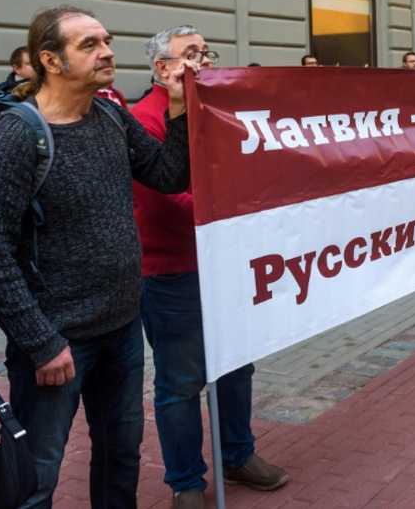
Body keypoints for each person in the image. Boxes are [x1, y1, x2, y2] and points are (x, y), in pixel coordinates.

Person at [0, 5, 194, 506]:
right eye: (90, 44)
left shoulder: (111, 115)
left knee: (122, 456)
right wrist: (39, 342)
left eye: (107, 40)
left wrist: (179, 108)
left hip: (121, 328)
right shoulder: (17, 137)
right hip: (58, 343)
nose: (108, 51)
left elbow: (168, 174)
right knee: (36, 475)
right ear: (51, 60)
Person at [133, 26, 287, 507]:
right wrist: (231, 214)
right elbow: (162, 199)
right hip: (173, 271)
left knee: (237, 366)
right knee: (180, 382)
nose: (203, 61)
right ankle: (185, 482)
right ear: (163, 68)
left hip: (228, 264)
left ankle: (237, 454)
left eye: (206, 53)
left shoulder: (220, 111)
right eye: (191, 54)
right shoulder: (143, 119)